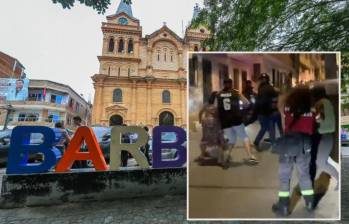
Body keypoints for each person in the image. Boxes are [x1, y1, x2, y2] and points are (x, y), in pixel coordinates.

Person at [272, 86, 315, 216]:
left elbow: (283, 112)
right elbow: (319, 120)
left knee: (285, 177)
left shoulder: (287, 107)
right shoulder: (312, 109)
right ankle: (309, 203)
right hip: (305, 143)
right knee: (304, 174)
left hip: (289, 143)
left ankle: (284, 207)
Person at [210, 78, 258, 165]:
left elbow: (215, 109)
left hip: (225, 121)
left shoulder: (219, 94)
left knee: (232, 139)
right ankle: (251, 156)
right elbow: (246, 103)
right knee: (244, 136)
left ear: (223, 84)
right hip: (236, 119)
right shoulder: (236, 92)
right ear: (231, 84)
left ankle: (226, 157)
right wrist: (241, 108)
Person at [312, 86, 339, 190]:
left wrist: (317, 129)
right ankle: (314, 180)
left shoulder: (321, 104)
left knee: (321, 162)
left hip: (325, 136)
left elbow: (323, 121)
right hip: (325, 136)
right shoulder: (325, 102)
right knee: (319, 161)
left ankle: (339, 178)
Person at [254, 74, 280, 150]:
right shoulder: (270, 88)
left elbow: (259, 101)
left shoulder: (260, 88)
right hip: (268, 112)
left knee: (267, 128)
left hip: (262, 112)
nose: (263, 80)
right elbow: (275, 99)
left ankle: (272, 143)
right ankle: (258, 141)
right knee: (268, 128)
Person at [197, 100, 226, 165]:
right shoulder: (219, 104)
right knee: (220, 140)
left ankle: (202, 154)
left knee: (205, 139)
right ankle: (220, 159)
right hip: (217, 122)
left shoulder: (206, 104)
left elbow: (200, 112)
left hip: (206, 121)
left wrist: (200, 120)